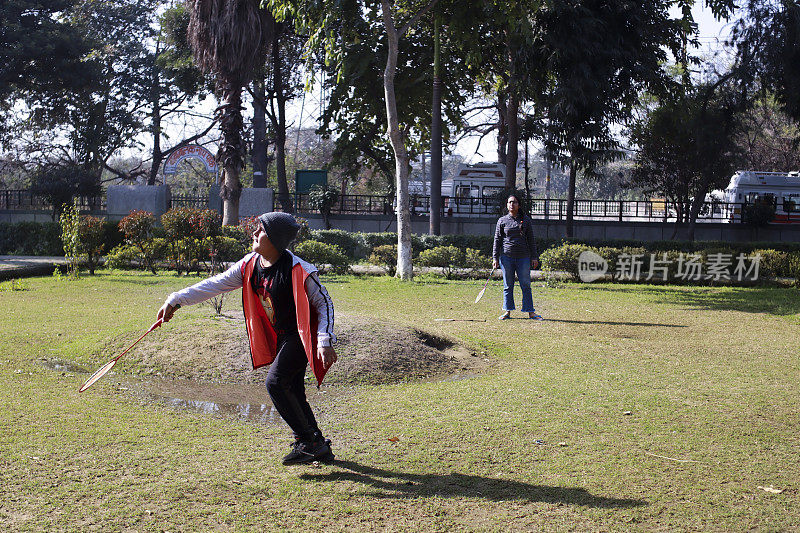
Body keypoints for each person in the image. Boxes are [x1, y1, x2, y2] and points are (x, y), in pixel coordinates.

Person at [157, 212, 338, 465]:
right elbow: (215, 284)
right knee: (293, 389)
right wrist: (176, 299)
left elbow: (324, 303)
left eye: (260, 230)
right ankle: (317, 444)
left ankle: (308, 442)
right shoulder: (250, 264)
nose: (253, 234)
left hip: (300, 336)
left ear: (274, 238)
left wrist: (324, 340)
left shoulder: (299, 269)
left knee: (275, 383)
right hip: (281, 337)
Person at [492, 194, 542, 320]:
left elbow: (531, 239)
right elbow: (497, 240)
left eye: (514, 202)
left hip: (523, 258)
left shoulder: (526, 220)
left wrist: (534, 257)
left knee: (525, 285)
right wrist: (495, 258)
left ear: (519, 205)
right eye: (509, 202)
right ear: (507, 205)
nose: (511, 204)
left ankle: (530, 312)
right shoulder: (502, 221)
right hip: (506, 258)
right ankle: (507, 312)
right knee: (508, 285)